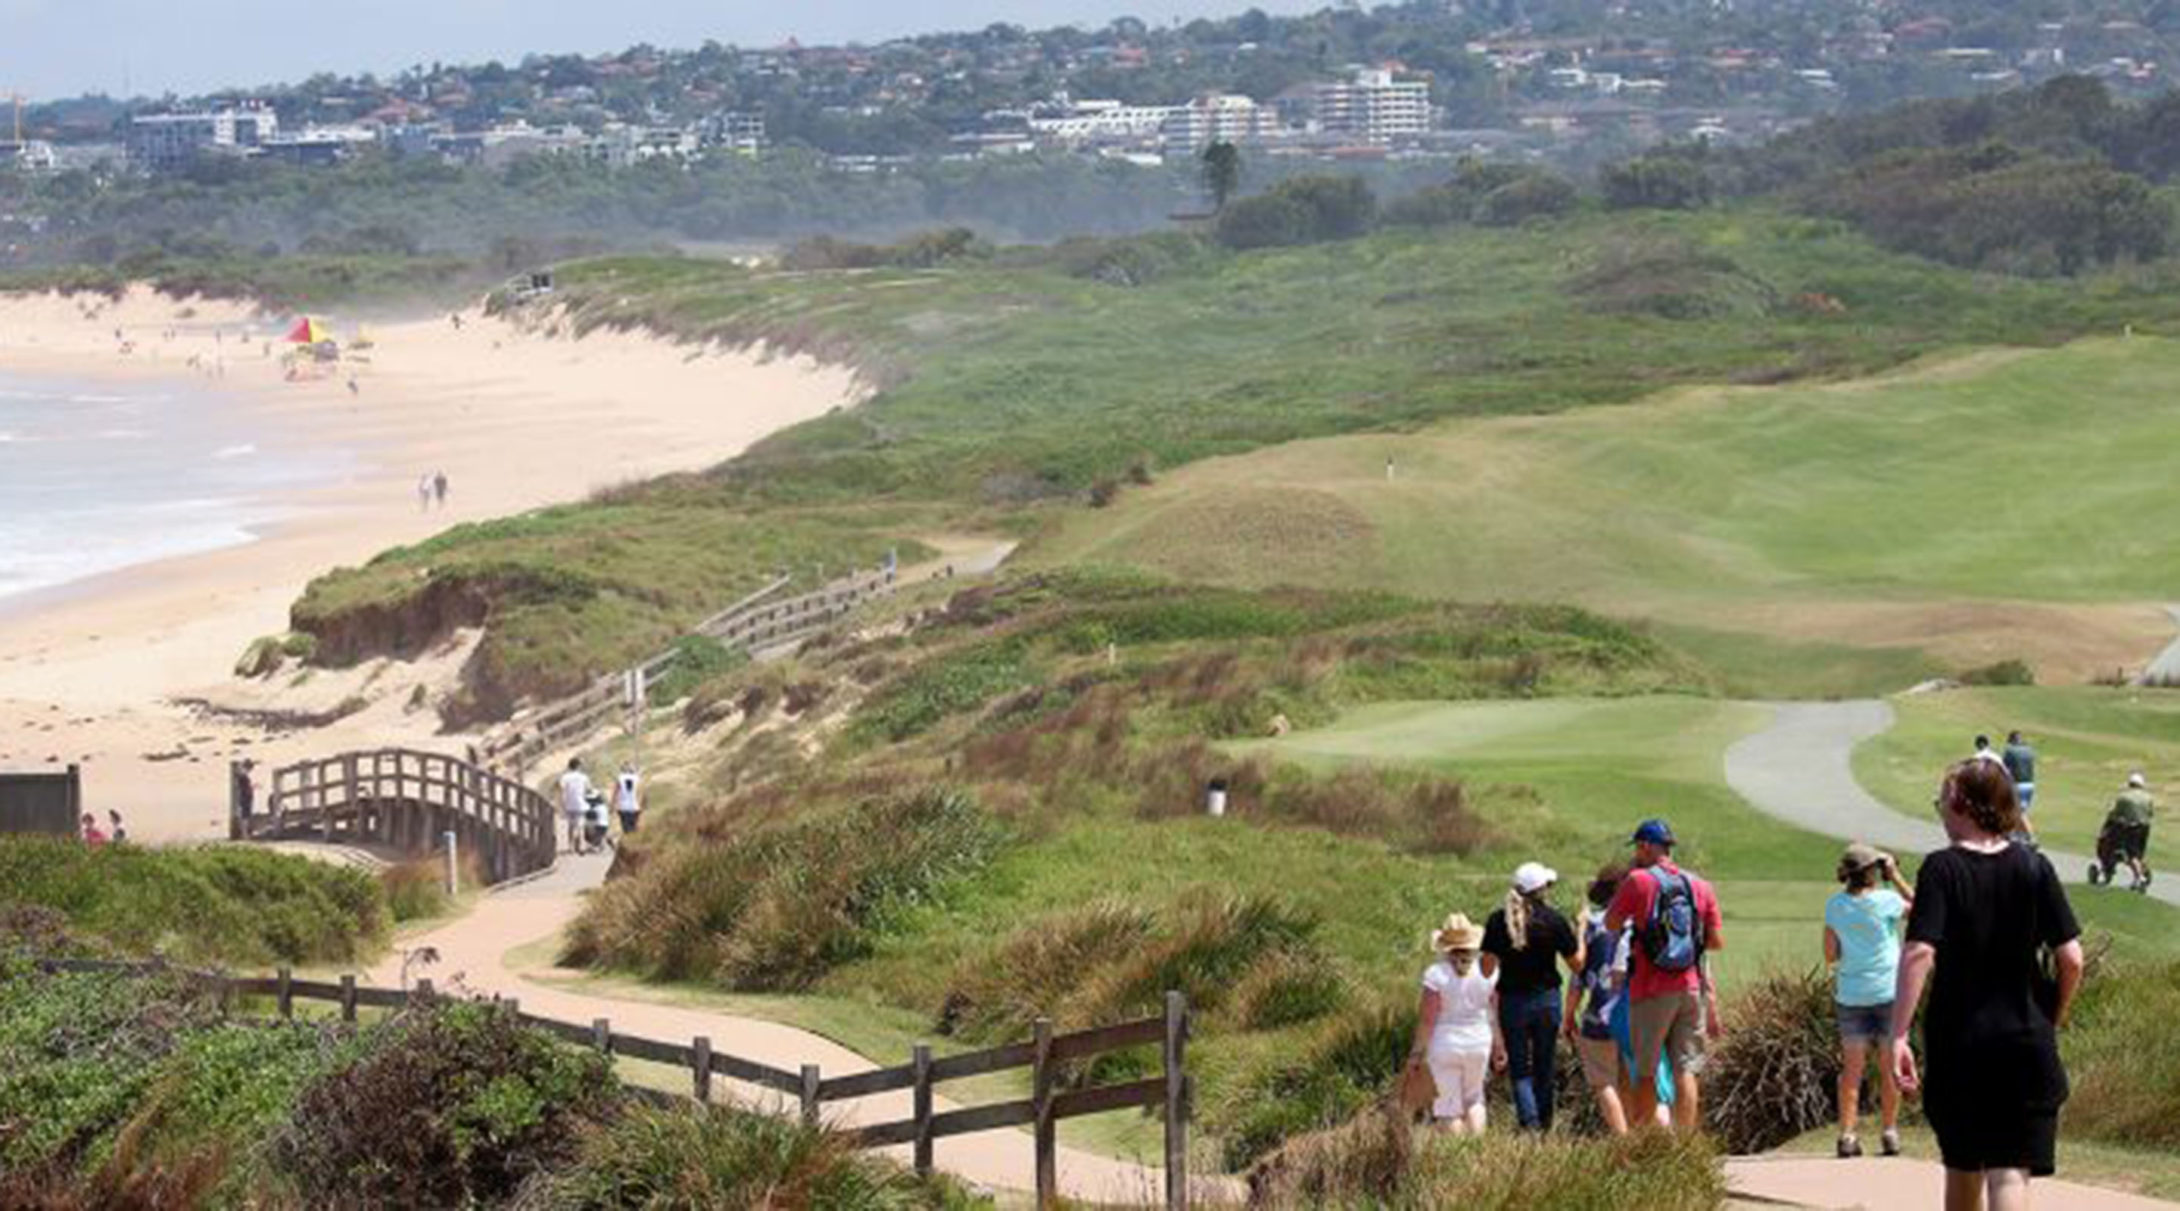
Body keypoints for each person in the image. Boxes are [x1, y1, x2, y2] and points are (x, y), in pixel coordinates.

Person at [1891, 759, 2085, 1211]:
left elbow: (1920, 951)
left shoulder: (1941, 869)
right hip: (2025, 1040)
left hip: (1960, 1041)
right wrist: (2053, 1012)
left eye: (1941, 798)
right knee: (2011, 1171)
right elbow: (2071, 957)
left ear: (1959, 803)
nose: (1939, 808)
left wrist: (1899, 1033)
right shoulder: (2035, 867)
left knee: (1962, 1165)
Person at [1606, 818, 1725, 1132]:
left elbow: (1611, 923)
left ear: (1645, 846)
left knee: (1645, 1069)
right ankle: (1685, 1141)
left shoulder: (1638, 881)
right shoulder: (1700, 885)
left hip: (1650, 989)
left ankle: (1647, 1140)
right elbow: (1716, 942)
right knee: (1686, 1069)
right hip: (1690, 987)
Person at [1824, 842, 1914, 1158]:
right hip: (1889, 992)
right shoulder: (1888, 900)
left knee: (1852, 1070)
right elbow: (1917, 905)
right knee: (1890, 1064)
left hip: (1851, 994)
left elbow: (1830, 954)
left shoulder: (1835, 906)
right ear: (1872, 873)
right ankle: (1889, 1133)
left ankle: (1847, 1136)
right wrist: (1896, 874)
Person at [1482, 860, 1583, 1131]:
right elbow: (1577, 965)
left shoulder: (1497, 920)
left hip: (1513, 1002)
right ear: (1543, 889)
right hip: (1546, 1000)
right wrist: (1581, 932)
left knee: (1520, 1068)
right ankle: (1545, 1123)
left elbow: (1486, 968)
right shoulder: (1554, 920)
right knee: (1544, 1065)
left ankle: (1530, 1124)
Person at [1408, 912, 1502, 1135]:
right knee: (1475, 1098)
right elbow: (1496, 1013)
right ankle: (1476, 1150)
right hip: (1480, 1041)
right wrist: (1500, 1045)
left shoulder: (1435, 974)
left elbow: (1427, 1020)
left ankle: (1457, 1154)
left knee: (1448, 1105)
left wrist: (1416, 1053)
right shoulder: (1489, 971)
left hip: (1445, 1043)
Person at [1565, 863, 1634, 1135]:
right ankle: (1636, 1135)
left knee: (1604, 1081)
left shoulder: (1592, 924)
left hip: (1599, 1013)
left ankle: (1622, 1138)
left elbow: (1578, 979)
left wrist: (1568, 1016)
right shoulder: (1635, 922)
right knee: (1629, 1079)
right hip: (1635, 1012)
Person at [2104, 772, 2156, 892]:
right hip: (2145, 828)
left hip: (2130, 828)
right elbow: (2150, 813)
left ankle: (2139, 877)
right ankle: (2141, 870)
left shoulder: (2124, 797)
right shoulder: (2148, 797)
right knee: (2139, 853)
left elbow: (2116, 814)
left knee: (2130, 854)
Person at [558, 757, 593, 855]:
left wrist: (561, 804)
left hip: (568, 804)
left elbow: (561, 791)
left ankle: (571, 846)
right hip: (580, 804)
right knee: (580, 826)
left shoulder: (565, 777)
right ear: (578, 766)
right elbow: (589, 789)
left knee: (571, 826)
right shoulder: (584, 777)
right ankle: (580, 847)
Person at [2002, 731, 2038, 815]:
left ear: (2011, 741)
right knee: (2023, 814)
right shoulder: (2029, 750)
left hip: (2016, 785)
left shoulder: (2010, 751)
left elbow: (2004, 768)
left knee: (2012, 813)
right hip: (2030, 784)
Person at [614, 763, 643, 835]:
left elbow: (616, 793)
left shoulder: (620, 778)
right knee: (634, 829)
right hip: (635, 806)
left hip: (623, 807)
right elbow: (641, 793)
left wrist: (613, 806)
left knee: (626, 829)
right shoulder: (637, 778)